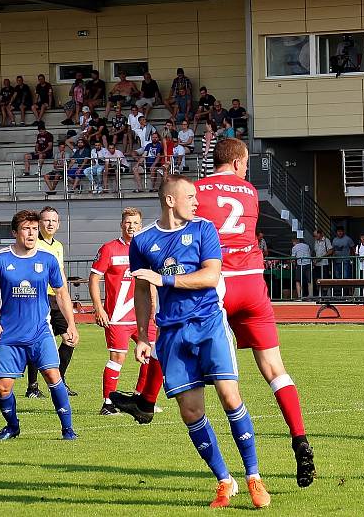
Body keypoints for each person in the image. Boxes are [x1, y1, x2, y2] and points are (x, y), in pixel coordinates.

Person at [117, 142, 318, 489]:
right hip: (253, 283)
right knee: (275, 369)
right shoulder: (250, 190)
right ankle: (299, 438)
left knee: (179, 325)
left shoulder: (200, 191)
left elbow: (183, 229)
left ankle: (147, 400)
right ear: (239, 162)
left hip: (217, 283)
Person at [124, 174, 271, 508]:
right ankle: (224, 480)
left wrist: (163, 278)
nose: (196, 201)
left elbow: (211, 276)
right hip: (172, 333)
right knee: (190, 412)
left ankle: (254, 477)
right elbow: (142, 290)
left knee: (230, 397)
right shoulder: (143, 241)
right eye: (189, 196)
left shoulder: (204, 229)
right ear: (169, 200)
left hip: (209, 324)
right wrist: (144, 336)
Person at [0, 209, 79, 441]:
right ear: (15, 232)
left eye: (34, 228)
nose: (31, 233)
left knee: (53, 375)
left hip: (40, 332)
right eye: (25, 229)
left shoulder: (47, 259)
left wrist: (71, 323)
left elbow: (61, 293)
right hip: (8, 335)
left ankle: (68, 429)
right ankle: (12, 426)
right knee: (3, 387)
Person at [90, 208, 160, 415]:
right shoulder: (109, 249)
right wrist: (99, 308)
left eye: (136, 223)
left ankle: (141, 398)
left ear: (141, 225)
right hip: (118, 317)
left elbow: (151, 280)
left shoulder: (146, 249)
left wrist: (154, 305)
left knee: (153, 355)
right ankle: (108, 404)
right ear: (122, 225)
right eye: (128, 223)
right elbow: (94, 279)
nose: (131, 227)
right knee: (117, 359)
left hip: (143, 315)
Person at [25, 207, 78, 398]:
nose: (50, 224)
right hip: (38, 298)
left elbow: (60, 273)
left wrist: (65, 295)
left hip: (56, 298)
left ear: (58, 224)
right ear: (39, 223)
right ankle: (32, 386)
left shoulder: (58, 246)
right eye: (46, 220)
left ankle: (58, 380)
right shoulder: (34, 244)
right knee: (36, 342)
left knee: (70, 339)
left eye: (53, 221)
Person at [313, 229, 333, 295]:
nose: (315, 237)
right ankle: (319, 293)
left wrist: (322, 257)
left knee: (325, 278)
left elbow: (330, 251)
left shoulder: (326, 240)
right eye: (314, 236)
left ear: (320, 234)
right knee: (317, 279)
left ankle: (325, 294)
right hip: (317, 264)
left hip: (324, 263)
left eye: (316, 235)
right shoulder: (316, 241)